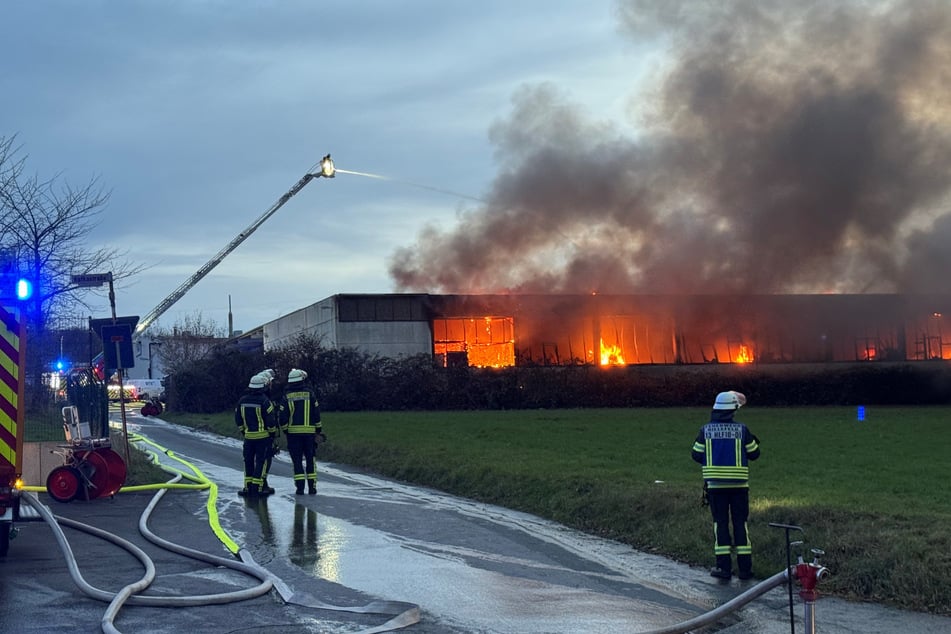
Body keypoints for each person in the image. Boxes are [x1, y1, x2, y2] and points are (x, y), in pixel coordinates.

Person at [691, 390, 760, 580]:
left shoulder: (705, 430)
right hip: (739, 487)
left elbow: (696, 454)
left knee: (720, 524)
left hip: (716, 488)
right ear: (733, 410)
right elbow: (754, 453)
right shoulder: (742, 430)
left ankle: (724, 568)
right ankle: (745, 570)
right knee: (740, 524)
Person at [279, 368, 324, 495]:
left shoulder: (286, 396)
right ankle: (312, 487)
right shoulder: (310, 394)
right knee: (310, 459)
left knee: (297, 461)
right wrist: (318, 430)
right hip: (309, 434)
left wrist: (286, 430)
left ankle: (300, 488)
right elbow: (316, 413)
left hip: (293, 435)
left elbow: (282, 417)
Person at [234, 373, 279, 497]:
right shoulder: (265, 402)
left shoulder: (242, 401)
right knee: (262, 462)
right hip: (263, 438)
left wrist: (244, 431)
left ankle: (247, 487)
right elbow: (270, 421)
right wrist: (272, 434)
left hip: (248, 438)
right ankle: (257, 488)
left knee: (248, 461)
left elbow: (238, 419)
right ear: (263, 386)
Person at [256, 369, 281, 495]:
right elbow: (269, 418)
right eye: (270, 382)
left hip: (255, 434)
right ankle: (262, 484)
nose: (272, 384)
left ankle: (259, 484)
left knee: (259, 459)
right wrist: (273, 433)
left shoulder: (263, 396)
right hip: (265, 434)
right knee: (265, 459)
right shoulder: (265, 398)